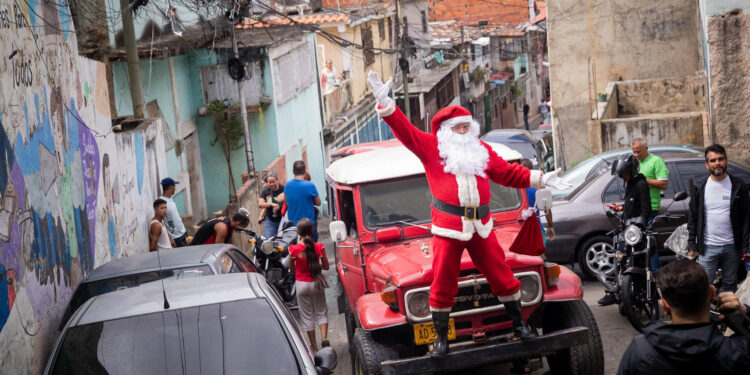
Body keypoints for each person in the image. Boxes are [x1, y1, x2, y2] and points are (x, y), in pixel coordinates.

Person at [367, 71, 571, 356]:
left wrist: (541, 179)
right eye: (457, 128)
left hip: (482, 225)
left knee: (501, 272)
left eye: (466, 127)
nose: (462, 132)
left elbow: (508, 173)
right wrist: (386, 103)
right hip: (448, 226)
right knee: (443, 280)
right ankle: (441, 340)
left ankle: (519, 326)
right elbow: (405, 130)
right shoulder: (431, 148)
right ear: (446, 131)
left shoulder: (481, 150)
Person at [617, 259, 750, 375]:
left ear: (665, 306)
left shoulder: (640, 351)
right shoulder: (737, 353)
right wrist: (741, 314)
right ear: (711, 293)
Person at [687, 144, 750, 292]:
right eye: (713, 160)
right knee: (703, 286)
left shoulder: (738, 186)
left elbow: (747, 218)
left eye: (720, 159)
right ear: (707, 164)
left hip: (732, 247)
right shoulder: (700, 187)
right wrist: (691, 243)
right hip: (708, 247)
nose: (717, 163)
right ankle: (705, 315)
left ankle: (728, 315)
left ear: (726, 161)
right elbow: (693, 217)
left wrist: (746, 246)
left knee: (730, 285)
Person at [599, 154, 652, 306]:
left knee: (638, 261)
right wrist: (622, 207)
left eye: (624, 174)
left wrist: (639, 225)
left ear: (632, 171)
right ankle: (613, 291)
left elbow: (645, 209)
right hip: (627, 229)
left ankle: (641, 290)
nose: (622, 177)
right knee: (619, 259)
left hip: (636, 232)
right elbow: (632, 204)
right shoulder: (630, 184)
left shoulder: (641, 184)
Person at [288, 218, 330, 353]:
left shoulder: (293, 249)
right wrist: (316, 265)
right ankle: (324, 338)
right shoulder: (319, 247)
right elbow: (326, 267)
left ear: (298, 232)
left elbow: (292, 268)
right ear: (312, 231)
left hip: (301, 285)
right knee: (321, 312)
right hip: (316, 283)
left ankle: (314, 347)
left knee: (307, 317)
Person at [631, 138, 668, 273]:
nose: (636, 155)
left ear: (646, 148)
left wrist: (644, 180)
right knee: (635, 240)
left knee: (648, 241)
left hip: (650, 207)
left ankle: (655, 273)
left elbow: (663, 184)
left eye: (638, 151)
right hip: (636, 207)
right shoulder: (635, 162)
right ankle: (640, 272)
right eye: (634, 152)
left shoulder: (656, 161)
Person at [520, 159, 555, 245]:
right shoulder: (537, 189)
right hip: (536, 229)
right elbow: (547, 208)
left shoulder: (512, 189)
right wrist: (550, 226)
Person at [285, 160, 321, 241]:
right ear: (305, 171)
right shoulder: (310, 185)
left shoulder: (287, 185)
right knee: (312, 248)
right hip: (309, 224)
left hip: (294, 225)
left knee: (298, 250)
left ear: (293, 171)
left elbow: (286, 202)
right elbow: (318, 203)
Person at [159, 177, 189, 247]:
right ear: (170, 187)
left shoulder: (170, 198)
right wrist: (170, 238)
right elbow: (161, 222)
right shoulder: (162, 202)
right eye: (174, 186)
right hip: (175, 238)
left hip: (182, 233)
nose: (175, 188)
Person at [258, 172, 285, 238]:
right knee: (268, 242)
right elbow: (260, 204)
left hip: (283, 221)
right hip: (270, 221)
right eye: (269, 182)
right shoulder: (265, 192)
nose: (271, 184)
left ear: (277, 181)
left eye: (273, 182)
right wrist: (270, 204)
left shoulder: (284, 189)